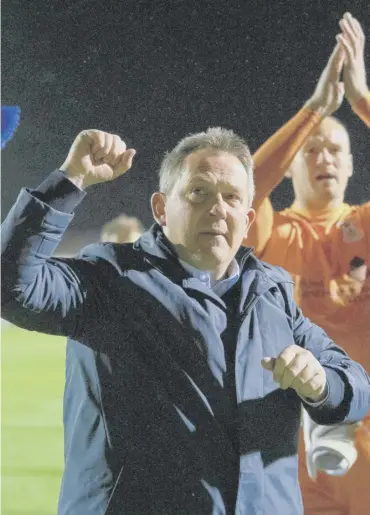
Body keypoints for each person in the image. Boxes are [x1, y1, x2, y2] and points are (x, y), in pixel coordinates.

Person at [1, 126, 369, 515]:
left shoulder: (272, 294)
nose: (217, 208)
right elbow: (11, 287)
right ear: (161, 208)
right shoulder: (109, 281)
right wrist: (70, 179)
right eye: (199, 192)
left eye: (231, 198)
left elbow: (357, 386)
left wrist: (323, 385)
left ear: (247, 219)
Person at [245, 12, 370, 515]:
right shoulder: (273, 231)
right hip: (282, 433)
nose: (326, 158)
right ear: (293, 161)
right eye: (313, 149)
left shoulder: (364, 222)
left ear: (352, 164)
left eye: (337, 150)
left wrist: (361, 99)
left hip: (363, 426)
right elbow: (246, 191)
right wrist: (314, 112)